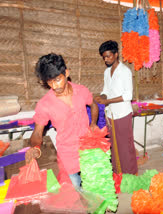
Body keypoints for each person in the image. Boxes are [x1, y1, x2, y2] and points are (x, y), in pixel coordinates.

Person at [25, 53, 99, 188]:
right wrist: (35, 147)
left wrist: (93, 123)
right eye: (50, 82)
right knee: (75, 191)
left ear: (66, 73)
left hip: (89, 148)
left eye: (58, 79)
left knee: (94, 187)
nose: (55, 86)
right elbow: (37, 133)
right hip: (68, 154)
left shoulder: (81, 91)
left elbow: (93, 104)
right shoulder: (45, 104)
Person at [94, 40, 138, 175]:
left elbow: (127, 95)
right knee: (114, 145)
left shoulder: (125, 71)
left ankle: (130, 173)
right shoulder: (107, 72)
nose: (106, 59)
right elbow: (106, 90)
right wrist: (101, 97)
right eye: (104, 57)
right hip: (111, 114)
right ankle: (118, 171)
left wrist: (107, 101)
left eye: (108, 56)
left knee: (125, 146)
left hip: (123, 113)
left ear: (116, 54)